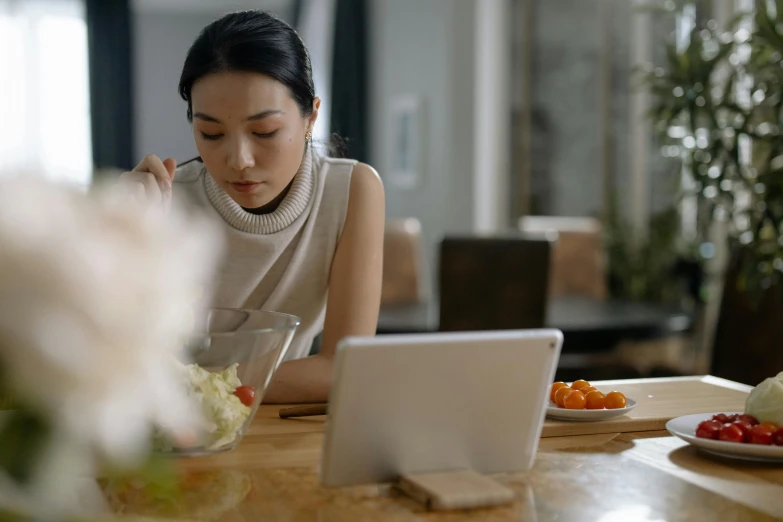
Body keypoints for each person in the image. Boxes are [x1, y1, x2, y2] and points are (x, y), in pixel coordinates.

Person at [119, 10, 385, 404]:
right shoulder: (166, 203)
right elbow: (125, 368)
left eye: (264, 132)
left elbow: (345, 367)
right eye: (211, 133)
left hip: (277, 425)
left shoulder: (350, 191)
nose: (239, 159)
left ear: (311, 116)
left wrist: (192, 385)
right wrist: (120, 234)